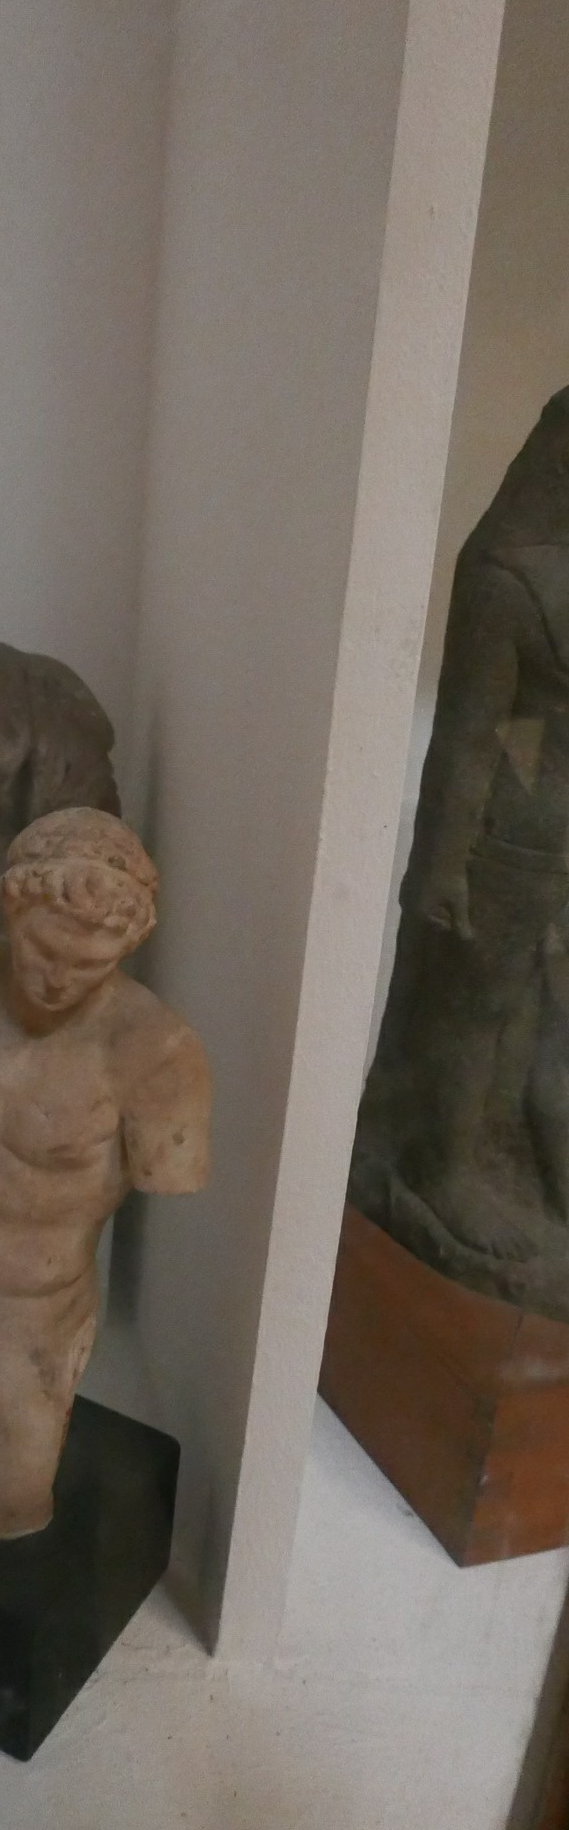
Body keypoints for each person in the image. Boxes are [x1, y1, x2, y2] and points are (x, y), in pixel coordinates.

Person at [0, 808, 210, 1538]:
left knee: (11, 1504)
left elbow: (170, 1169)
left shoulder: (153, 1050)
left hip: (30, 1301)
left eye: (88, 965)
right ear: (11, 913)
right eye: (43, 951)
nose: (57, 980)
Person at [356, 386, 569, 1273]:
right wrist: (440, 867)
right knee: (476, 1007)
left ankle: (526, 1158)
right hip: (509, 837)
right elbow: (467, 737)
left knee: (541, 1012)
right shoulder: (506, 579)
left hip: (548, 828)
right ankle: (442, 1169)